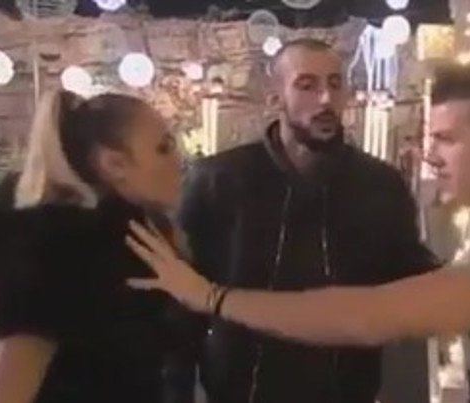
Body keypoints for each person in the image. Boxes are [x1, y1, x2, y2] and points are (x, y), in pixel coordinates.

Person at [139, 38, 440, 403]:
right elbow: (184, 305)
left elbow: (411, 280)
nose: (326, 99)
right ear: (275, 97)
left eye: (335, 84)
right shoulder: (219, 180)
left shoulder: (379, 184)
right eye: (307, 85)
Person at [0, 90, 186, 403]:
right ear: (115, 164)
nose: (179, 160)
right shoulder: (60, 255)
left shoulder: (127, 241)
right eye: (163, 148)